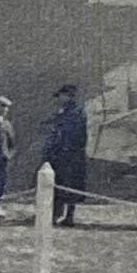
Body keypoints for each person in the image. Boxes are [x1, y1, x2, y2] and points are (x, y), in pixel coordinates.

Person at [41, 84, 88, 227]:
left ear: (68, 96)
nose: (59, 99)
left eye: (62, 96)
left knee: (69, 186)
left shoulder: (76, 112)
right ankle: (56, 214)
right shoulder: (64, 112)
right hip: (60, 154)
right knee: (58, 184)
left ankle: (69, 216)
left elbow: (73, 133)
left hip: (70, 155)